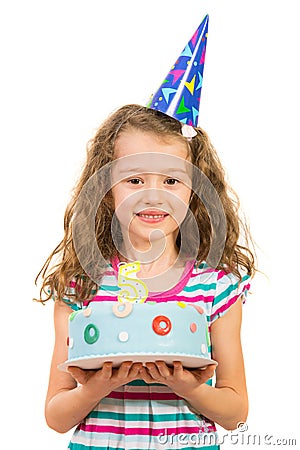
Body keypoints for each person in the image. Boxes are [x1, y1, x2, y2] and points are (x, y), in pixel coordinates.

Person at [36, 103, 255, 450]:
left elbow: (236, 413)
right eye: (135, 179)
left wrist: (189, 387)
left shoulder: (215, 287)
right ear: (108, 190)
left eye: (171, 180)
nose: (153, 195)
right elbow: (56, 416)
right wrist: (97, 387)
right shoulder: (81, 286)